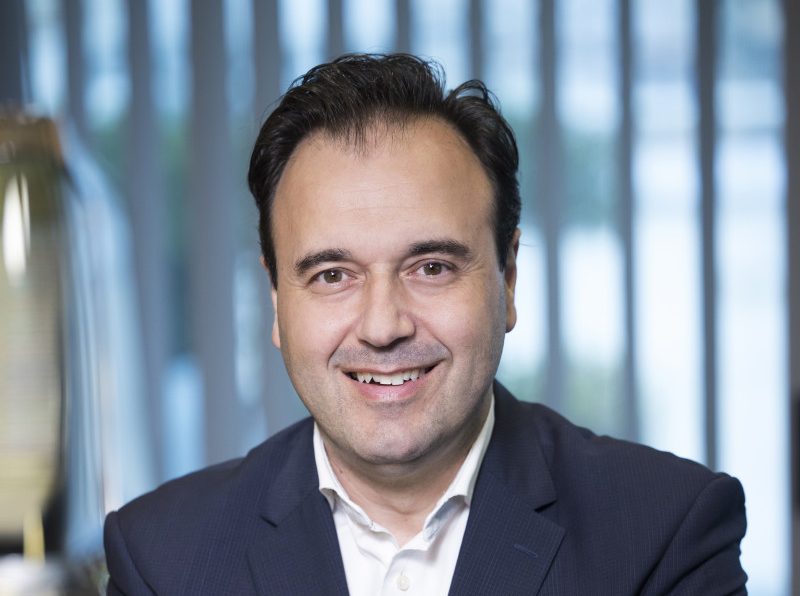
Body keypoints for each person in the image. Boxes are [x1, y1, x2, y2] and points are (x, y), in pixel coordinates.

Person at [104, 54, 747, 595]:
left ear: (508, 279)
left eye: (431, 267)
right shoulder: (163, 558)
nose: (383, 327)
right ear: (276, 300)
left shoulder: (664, 535)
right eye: (332, 275)